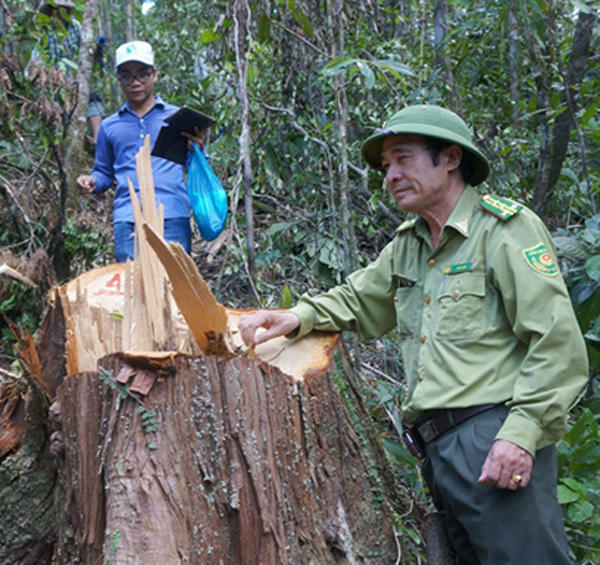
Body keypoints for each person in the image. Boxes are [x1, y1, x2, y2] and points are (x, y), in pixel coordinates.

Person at [237, 105, 589, 564]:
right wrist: (297, 316)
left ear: (450, 158)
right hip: (438, 450)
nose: (391, 175)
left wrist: (521, 435)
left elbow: (557, 343)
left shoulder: (503, 231)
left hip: (494, 437)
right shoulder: (408, 244)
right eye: (386, 166)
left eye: (403, 158)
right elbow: (359, 299)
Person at [76, 40, 206, 262]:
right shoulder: (109, 126)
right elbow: (104, 172)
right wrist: (92, 181)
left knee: (175, 290)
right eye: (127, 76)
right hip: (128, 217)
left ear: (154, 74)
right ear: (118, 80)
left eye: (142, 74)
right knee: (133, 288)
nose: (135, 82)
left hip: (172, 214)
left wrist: (197, 150)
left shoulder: (177, 118)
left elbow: (198, 168)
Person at [34, 0, 105, 142]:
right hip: (51, 85)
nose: (60, 14)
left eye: (63, 9)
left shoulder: (75, 27)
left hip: (71, 82)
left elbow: (85, 52)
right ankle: (62, 146)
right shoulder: (44, 31)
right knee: (58, 115)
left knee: (93, 99)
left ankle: (98, 142)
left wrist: (97, 49)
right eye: (56, 9)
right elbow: (36, 61)